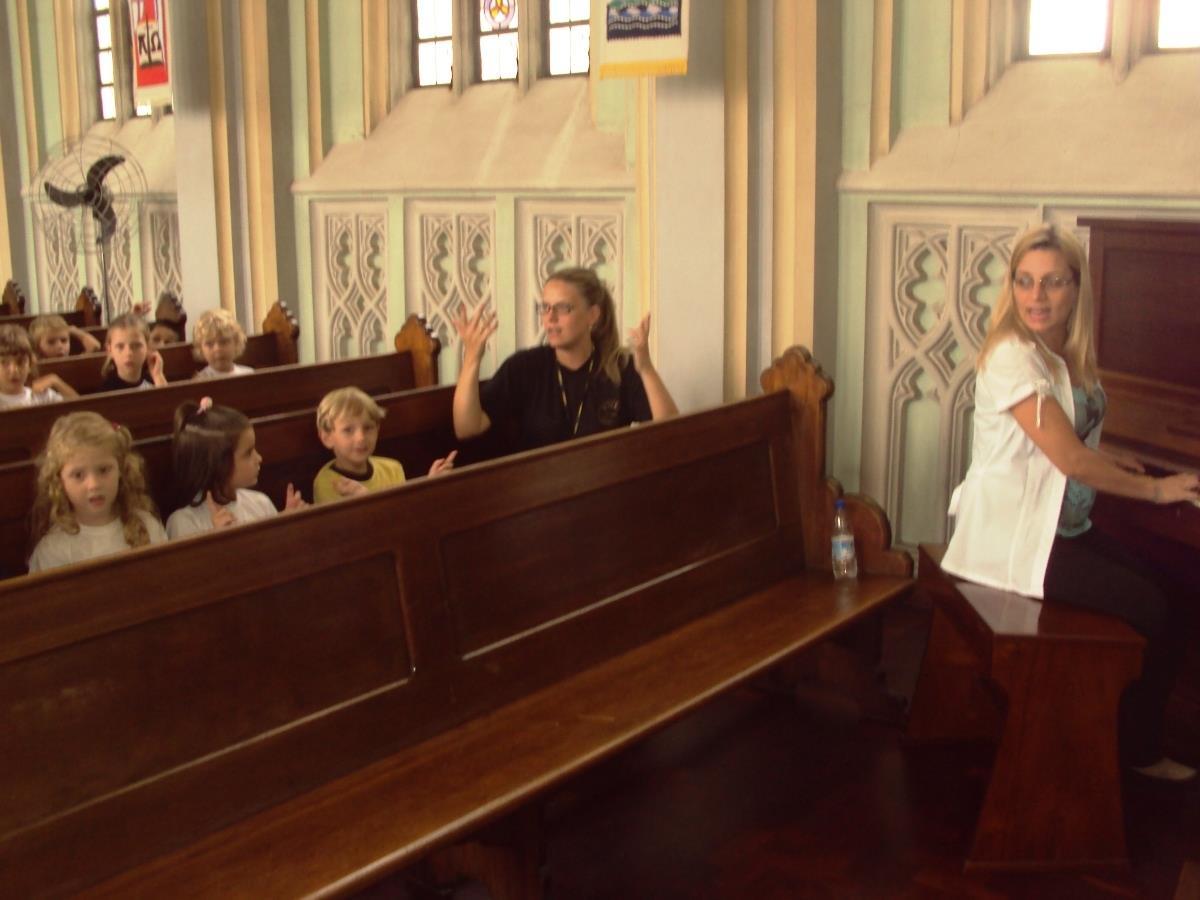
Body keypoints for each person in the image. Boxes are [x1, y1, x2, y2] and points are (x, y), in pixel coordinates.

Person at [942, 223, 1200, 782]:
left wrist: (1119, 465)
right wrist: (1158, 489)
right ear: (1011, 287)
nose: (1037, 296)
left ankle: (1125, 734)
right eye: (1026, 282)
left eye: (1053, 283)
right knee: (1152, 607)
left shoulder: (1062, 352)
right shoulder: (1012, 356)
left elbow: (1077, 441)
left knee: (1176, 594)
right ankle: (1126, 746)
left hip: (1063, 526)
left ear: (1076, 288)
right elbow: (1072, 461)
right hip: (1014, 539)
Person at [452, 267, 678, 451]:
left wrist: (646, 368)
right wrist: (472, 358)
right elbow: (467, 428)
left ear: (593, 315)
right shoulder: (524, 367)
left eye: (563, 308)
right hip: (536, 496)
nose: (550, 318)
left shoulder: (619, 367)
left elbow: (671, 432)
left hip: (603, 493)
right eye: (545, 307)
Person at [28, 411, 167, 572]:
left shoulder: (147, 525)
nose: (94, 485)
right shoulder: (53, 550)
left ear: (121, 470)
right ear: (59, 481)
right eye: (78, 475)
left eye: (103, 470)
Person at [166, 397, 307, 538]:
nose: (259, 458)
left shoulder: (260, 502)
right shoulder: (184, 522)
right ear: (218, 463)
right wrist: (216, 541)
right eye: (248, 453)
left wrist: (287, 526)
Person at [312, 386, 456, 504]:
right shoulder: (326, 482)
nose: (361, 437)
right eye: (348, 430)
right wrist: (365, 498)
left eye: (368, 428)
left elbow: (404, 513)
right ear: (327, 438)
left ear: (378, 430)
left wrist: (429, 486)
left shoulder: (392, 469)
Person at [0, 324, 78, 409]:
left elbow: (80, 409)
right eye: (4, 363)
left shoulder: (42, 396)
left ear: (30, 365)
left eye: (20, 362)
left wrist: (56, 381)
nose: (14, 370)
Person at [99, 313, 168, 392]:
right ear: (110, 350)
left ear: (147, 347)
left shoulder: (154, 381)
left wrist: (158, 376)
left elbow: (169, 402)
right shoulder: (106, 391)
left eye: (136, 346)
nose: (129, 353)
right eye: (120, 347)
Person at [192, 309, 254, 379]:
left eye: (224, 342)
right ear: (200, 348)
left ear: (236, 342)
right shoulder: (200, 380)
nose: (217, 349)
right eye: (209, 344)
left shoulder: (249, 374)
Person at [28, 314, 102, 357]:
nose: (60, 346)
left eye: (64, 340)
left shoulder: (74, 362)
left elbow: (95, 346)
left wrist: (73, 330)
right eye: (51, 342)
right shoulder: (35, 365)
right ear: (38, 346)